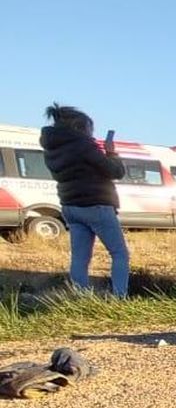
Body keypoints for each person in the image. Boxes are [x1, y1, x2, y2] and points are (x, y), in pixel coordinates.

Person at [39, 104, 130, 297]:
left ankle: (79, 297)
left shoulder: (52, 148)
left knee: (80, 258)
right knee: (119, 253)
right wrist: (111, 152)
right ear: (80, 127)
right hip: (96, 204)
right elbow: (115, 171)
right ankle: (120, 297)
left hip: (70, 206)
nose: (91, 134)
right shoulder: (83, 145)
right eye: (90, 129)